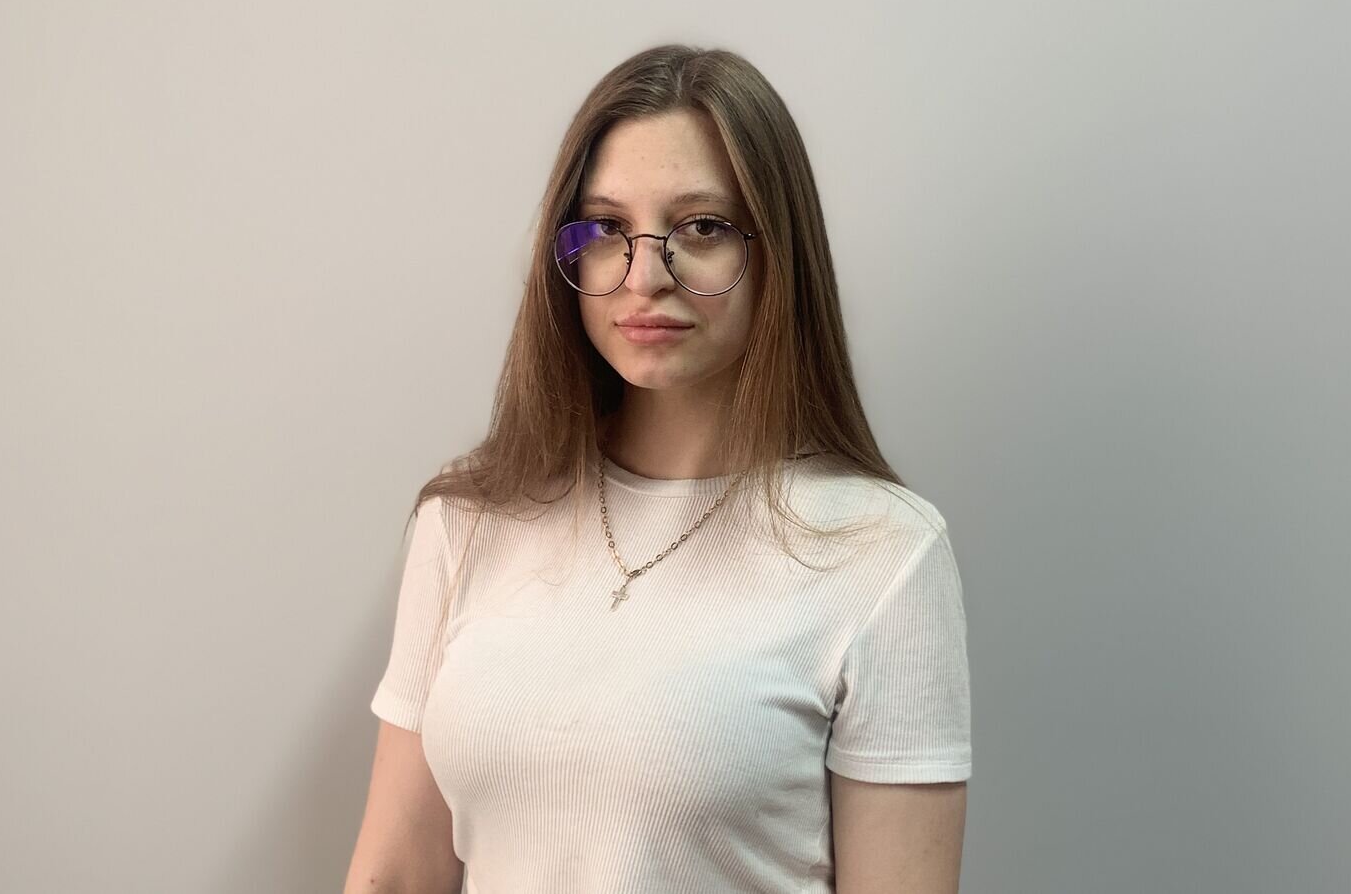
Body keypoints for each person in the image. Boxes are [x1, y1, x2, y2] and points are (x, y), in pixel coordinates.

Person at [343, 43, 971, 894]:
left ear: (779, 251)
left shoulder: (883, 556)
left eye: (701, 227)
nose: (643, 277)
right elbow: (394, 876)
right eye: (607, 229)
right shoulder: (468, 518)